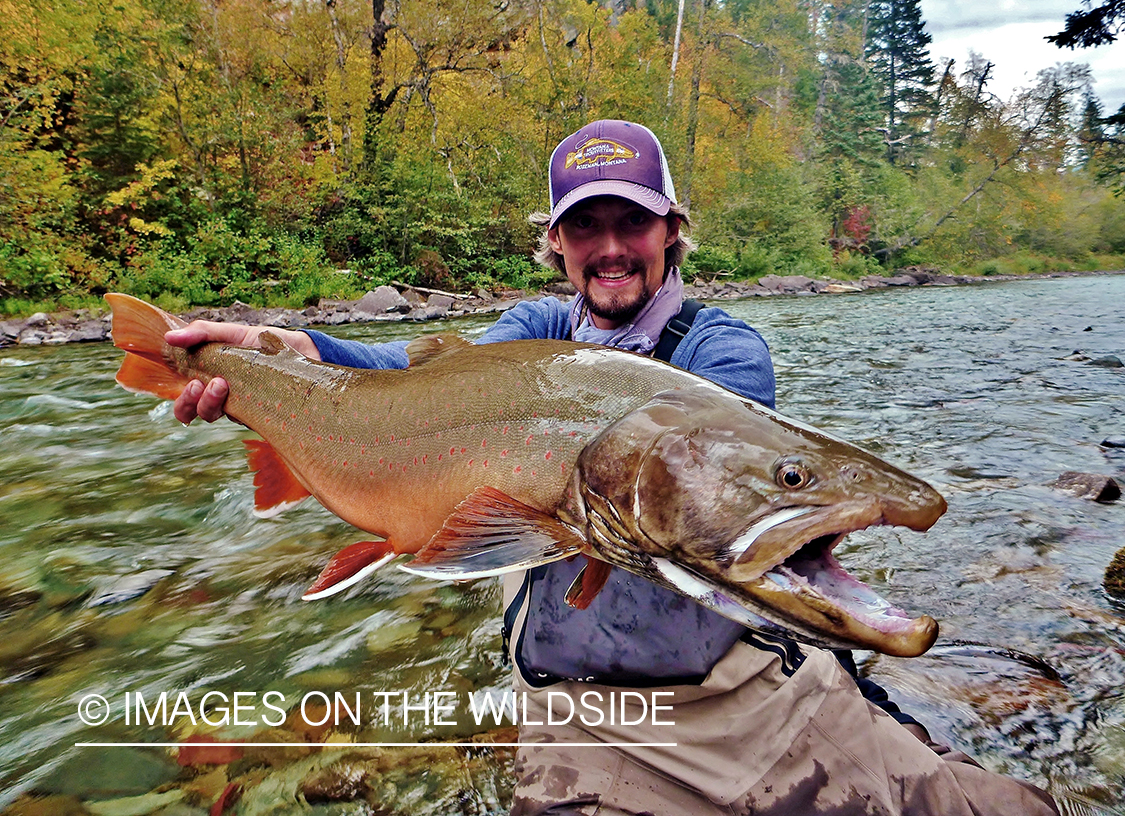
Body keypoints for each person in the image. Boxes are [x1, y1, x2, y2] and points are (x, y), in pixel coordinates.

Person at [169, 120, 1058, 815]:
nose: (609, 248)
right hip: (577, 710)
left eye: (631, 221)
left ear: (671, 231)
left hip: (733, 692)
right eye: (583, 226)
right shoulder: (528, 333)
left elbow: (712, 507)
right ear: (555, 245)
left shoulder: (723, 355)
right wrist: (276, 355)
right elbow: (409, 384)